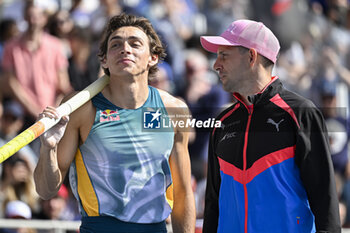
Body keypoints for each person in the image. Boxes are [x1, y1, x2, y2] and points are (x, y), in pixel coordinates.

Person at [34, 13, 196, 233]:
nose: (125, 49)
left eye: (135, 44)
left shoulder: (174, 110)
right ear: (104, 60)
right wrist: (48, 149)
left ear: (153, 57)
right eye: (116, 44)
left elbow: (184, 193)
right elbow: (46, 191)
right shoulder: (81, 107)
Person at [200, 19, 341, 233]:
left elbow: (325, 197)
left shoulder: (301, 113)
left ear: (251, 56)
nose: (216, 64)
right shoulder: (222, 123)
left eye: (224, 55)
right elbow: (213, 204)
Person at [1, 2, 72, 121]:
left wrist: (53, 110)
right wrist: (33, 109)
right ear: (24, 17)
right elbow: (11, 82)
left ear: (44, 19)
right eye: (30, 16)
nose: (33, 20)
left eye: (37, 16)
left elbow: (63, 83)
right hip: (21, 114)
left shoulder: (55, 46)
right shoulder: (11, 47)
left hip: (51, 113)